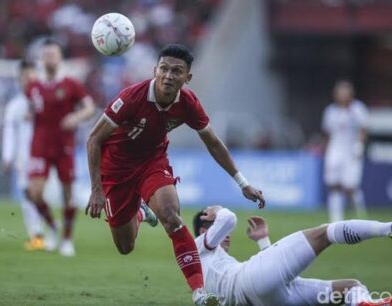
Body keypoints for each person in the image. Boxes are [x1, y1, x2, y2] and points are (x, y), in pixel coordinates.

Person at [85, 43, 265, 305]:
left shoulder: (189, 103)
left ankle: (199, 293)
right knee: (125, 247)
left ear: (187, 77)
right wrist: (96, 189)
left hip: (152, 162)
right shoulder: (131, 98)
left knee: (171, 217)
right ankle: (139, 212)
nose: (169, 75)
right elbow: (93, 140)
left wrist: (242, 183)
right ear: (155, 70)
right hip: (116, 170)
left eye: (177, 71)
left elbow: (213, 142)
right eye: (164, 69)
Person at [193, 205, 392, 306]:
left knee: (351, 288)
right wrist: (218, 210)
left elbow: (266, 279)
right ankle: (387, 229)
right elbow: (228, 218)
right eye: (215, 227)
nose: (227, 236)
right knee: (323, 233)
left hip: (271, 299)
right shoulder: (197, 247)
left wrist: (263, 241)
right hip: (255, 283)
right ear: (204, 232)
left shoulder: (209, 270)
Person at [25, 39, 96, 256]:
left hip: (63, 146)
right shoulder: (33, 87)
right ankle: (54, 227)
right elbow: (32, 109)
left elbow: (90, 107)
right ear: (41, 58)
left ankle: (66, 239)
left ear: (60, 58)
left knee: (67, 194)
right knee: (34, 193)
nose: (49, 58)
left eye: (53, 54)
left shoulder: (71, 84)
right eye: (46, 54)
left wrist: (75, 117)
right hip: (39, 145)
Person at [2, 60, 45, 251]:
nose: (28, 80)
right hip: (23, 158)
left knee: (40, 195)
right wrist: (7, 156)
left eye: (31, 76)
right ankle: (36, 234)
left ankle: (47, 232)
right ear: (19, 79)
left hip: (44, 155)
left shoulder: (44, 101)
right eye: (25, 76)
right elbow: (9, 132)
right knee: (27, 196)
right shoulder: (14, 106)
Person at [322, 80, 368, 222]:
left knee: (350, 186)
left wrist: (359, 145)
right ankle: (335, 218)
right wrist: (327, 150)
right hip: (335, 150)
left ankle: (360, 213)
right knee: (334, 184)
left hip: (351, 151)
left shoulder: (358, 109)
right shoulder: (330, 111)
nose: (342, 95)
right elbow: (327, 132)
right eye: (339, 92)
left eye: (345, 92)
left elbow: (363, 129)